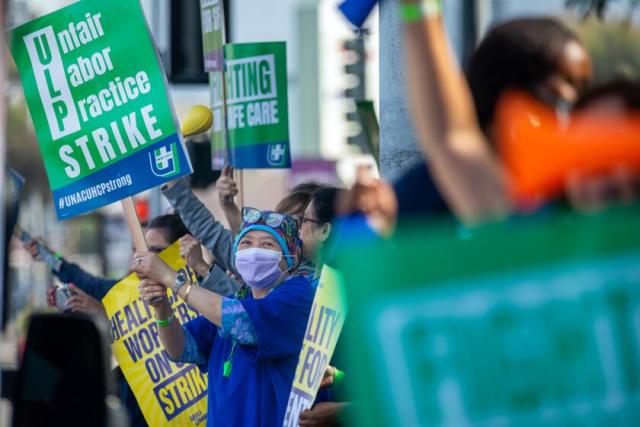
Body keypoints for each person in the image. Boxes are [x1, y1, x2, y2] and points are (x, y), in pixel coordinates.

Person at [131, 210, 314, 426]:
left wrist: (171, 279)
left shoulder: (298, 295)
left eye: (267, 245)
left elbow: (242, 322)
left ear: (290, 257)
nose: (254, 251)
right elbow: (180, 348)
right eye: (246, 242)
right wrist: (162, 309)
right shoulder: (236, 300)